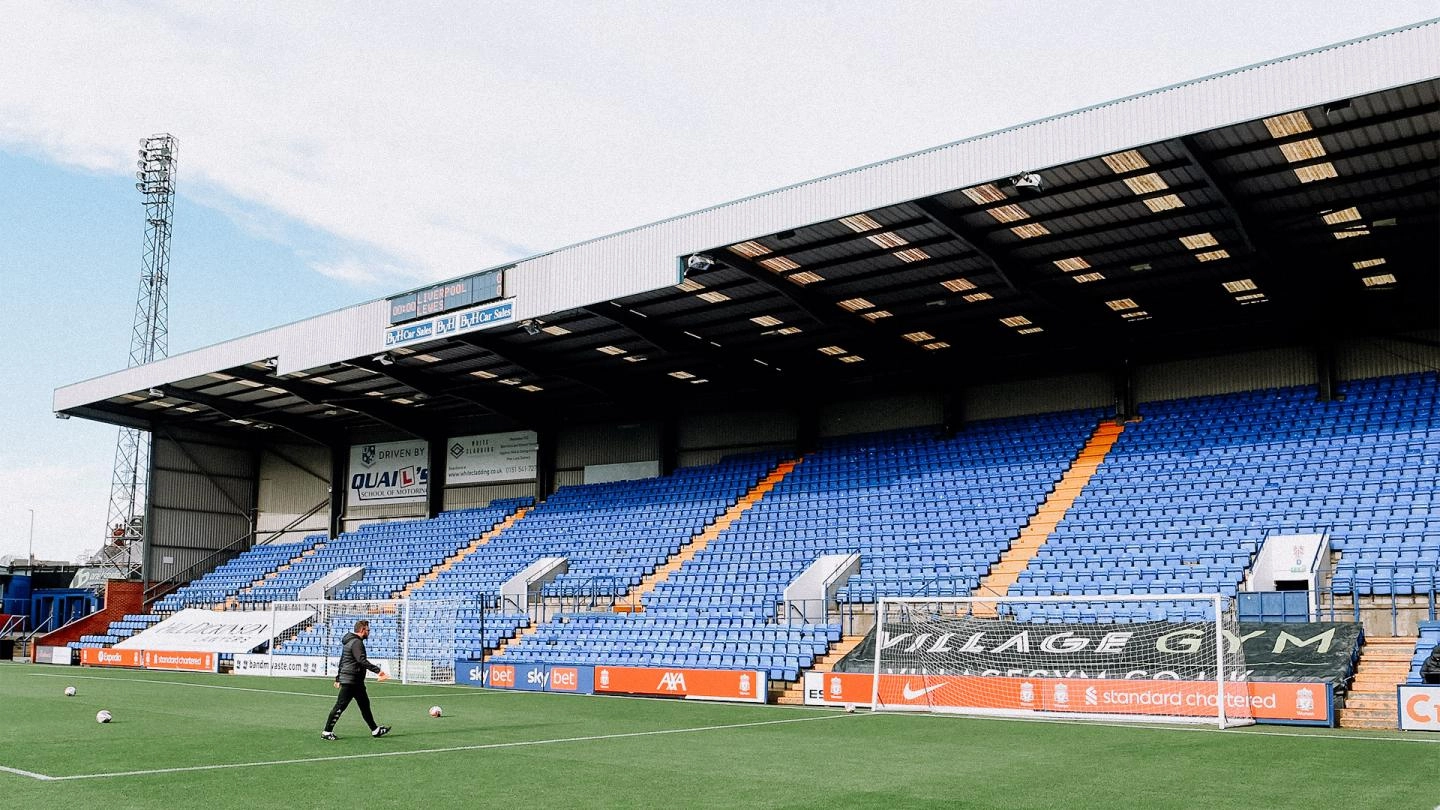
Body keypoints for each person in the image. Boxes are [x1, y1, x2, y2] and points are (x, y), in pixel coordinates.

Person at [322, 619, 391, 740]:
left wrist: (338, 678)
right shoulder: (356, 643)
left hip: (355, 680)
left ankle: (375, 730)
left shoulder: (351, 641)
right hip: (351, 680)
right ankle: (326, 732)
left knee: (365, 705)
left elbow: (343, 660)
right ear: (362, 630)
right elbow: (361, 660)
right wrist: (379, 671)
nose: (369, 632)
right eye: (368, 630)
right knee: (340, 706)